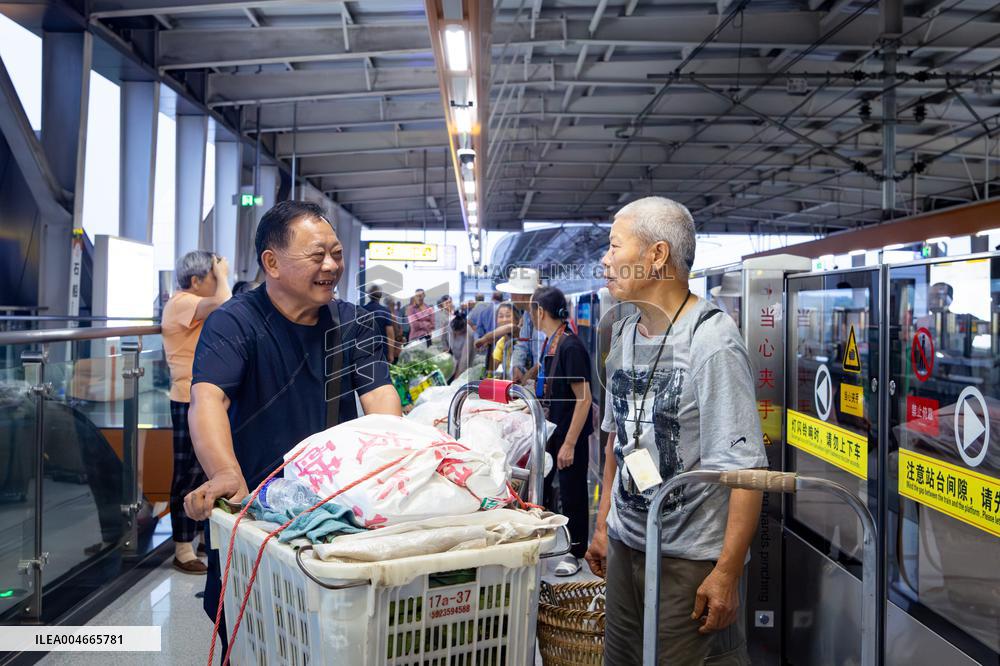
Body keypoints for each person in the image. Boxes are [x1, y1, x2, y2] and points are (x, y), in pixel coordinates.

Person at [182, 200, 401, 655]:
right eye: (317, 255)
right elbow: (208, 398)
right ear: (272, 262)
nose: (331, 266)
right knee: (249, 630)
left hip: (332, 513)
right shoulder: (236, 321)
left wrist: (401, 464)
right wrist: (225, 473)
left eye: (336, 254)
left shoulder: (353, 323)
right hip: (254, 507)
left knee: (331, 637)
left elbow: (381, 403)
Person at [585, 196, 766, 665]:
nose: (605, 260)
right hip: (627, 546)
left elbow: (745, 471)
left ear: (657, 255)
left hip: (688, 559)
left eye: (614, 246)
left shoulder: (712, 340)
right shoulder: (624, 335)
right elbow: (615, 441)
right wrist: (604, 524)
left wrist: (726, 573)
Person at [161, 250, 232, 574]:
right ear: (195, 280)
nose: (215, 282)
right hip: (186, 399)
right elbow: (225, 303)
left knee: (206, 469)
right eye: (211, 277)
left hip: (202, 398)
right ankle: (182, 547)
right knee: (187, 473)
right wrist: (224, 275)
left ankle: (201, 535)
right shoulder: (181, 303)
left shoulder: (191, 306)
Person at [530, 286, 594, 577]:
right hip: (554, 431)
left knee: (573, 493)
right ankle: (556, 541)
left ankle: (576, 551)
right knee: (550, 489)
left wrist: (568, 444)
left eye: (532, 311)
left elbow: (584, 399)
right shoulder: (551, 343)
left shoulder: (570, 346)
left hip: (570, 434)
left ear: (540, 312)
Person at [478, 268, 542, 383]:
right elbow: (523, 344)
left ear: (520, 295)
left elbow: (544, 358)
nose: (511, 297)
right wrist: (517, 366)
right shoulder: (527, 315)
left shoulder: (542, 316)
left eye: (512, 292)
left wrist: (528, 376)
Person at [363, 284, 397, 363]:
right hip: (381, 350)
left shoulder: (361, 310)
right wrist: (391, 354)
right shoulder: (385, 312)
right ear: (380, 295)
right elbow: (390, 335)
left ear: (369, 295)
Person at [486, 302, 519, 379]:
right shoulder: (501, 342)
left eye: (508, 316)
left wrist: (485, 338)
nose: (504, 320)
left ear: (517, 320)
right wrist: (490, 346)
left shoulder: (520, 336)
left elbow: (510, 327)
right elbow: (492, 368)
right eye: (500, 316)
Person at [447, 313, 477, 379]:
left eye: (459, 332)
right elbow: (444, 340)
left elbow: (465, 358)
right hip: (454, 356)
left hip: (467, 360)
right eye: (454, 331)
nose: (456, 334)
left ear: (463, 329)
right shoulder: (450, 325)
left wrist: (458, 375)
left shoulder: (469, 333)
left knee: (461, 378)